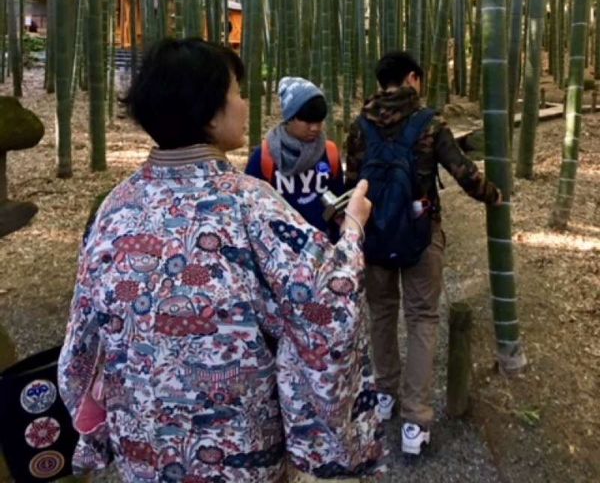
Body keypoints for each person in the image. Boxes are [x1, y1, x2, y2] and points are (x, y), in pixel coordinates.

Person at [58, 38, 385, 482]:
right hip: (237, 453)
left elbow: (81, 345)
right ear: (210, 112)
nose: (246, 104)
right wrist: (353, 230)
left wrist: (102, 431)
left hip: (143, 447)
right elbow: (326, 309)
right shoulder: (250, 204)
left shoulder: (115, 207)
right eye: (238, 93)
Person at [345, 50, 501, 456]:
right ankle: (415, 422)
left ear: (382, 83)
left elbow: (352, 183)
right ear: (413, 78)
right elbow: (463, 172)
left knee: (381, 313)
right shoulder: (429, 122)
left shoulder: (359, 126)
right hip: (420, 232)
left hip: (374, 234)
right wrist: (495, 196)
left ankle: (385, 395)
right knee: (422, 319)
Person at [245, 76, 344, 239]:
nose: (315, 128)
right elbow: (250, 208)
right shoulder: (265, 156)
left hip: (324, 245)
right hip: (280, 248)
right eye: (307, 121)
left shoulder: (329, 152)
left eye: (319, 121)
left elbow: (339, 205)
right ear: (289, 117)